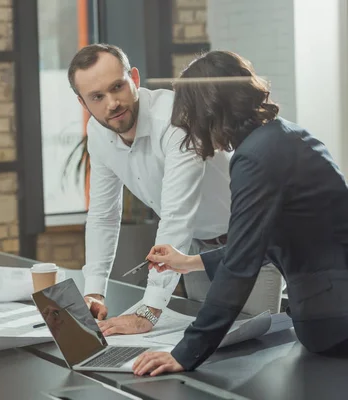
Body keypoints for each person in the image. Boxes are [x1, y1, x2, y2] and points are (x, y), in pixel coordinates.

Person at [132, 50, 348, 377]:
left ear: (210, 110)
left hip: (333, 321)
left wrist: (186, 353)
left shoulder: (255, 156)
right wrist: (192, 262)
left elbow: (242, 263)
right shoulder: (285, 136)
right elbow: (274, 238)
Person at [68, 44, 281, 336]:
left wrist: (149, 310)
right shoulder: (98, 132)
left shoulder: (176, 118)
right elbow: (104, 214)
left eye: (117, 87)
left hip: (249, 243)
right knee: (205, 350)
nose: (112, 103)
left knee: (253, 343)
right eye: (97, 97)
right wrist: (94, 291)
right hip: (192, 252)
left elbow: (175, 216)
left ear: (135, 79)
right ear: (83, 103)